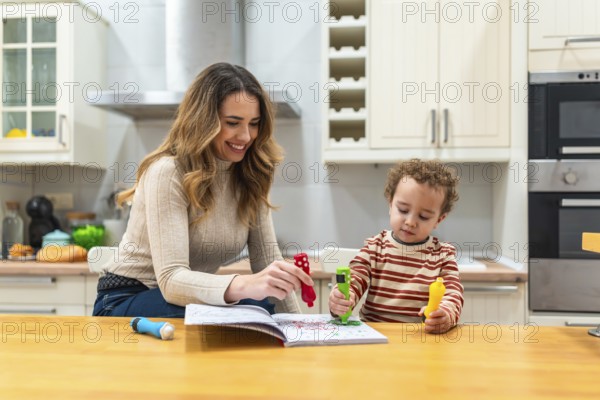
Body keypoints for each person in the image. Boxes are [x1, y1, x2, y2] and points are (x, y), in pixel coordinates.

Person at [93, 62, 313, 318]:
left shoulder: (251, 174)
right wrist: (245, 285)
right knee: (254, 308)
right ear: (203, 121)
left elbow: (267, 260)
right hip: (125, 299)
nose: (245, 136)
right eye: (233, 122)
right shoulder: (168, 171)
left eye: (254, 123)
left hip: (178, 302)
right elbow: (171, 280)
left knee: (263, 307)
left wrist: (300, 328)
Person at [328, 158, 464, 333]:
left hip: (418, 339)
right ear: (391, 204)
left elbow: (453, 293)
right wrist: (341, 300)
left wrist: (445, 313)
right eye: (403, 210)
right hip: (374, 336)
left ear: (439, 219)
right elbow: (354, 280)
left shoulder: (442, 255)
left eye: (423, 216)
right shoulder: (375, 247)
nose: (410, 222)